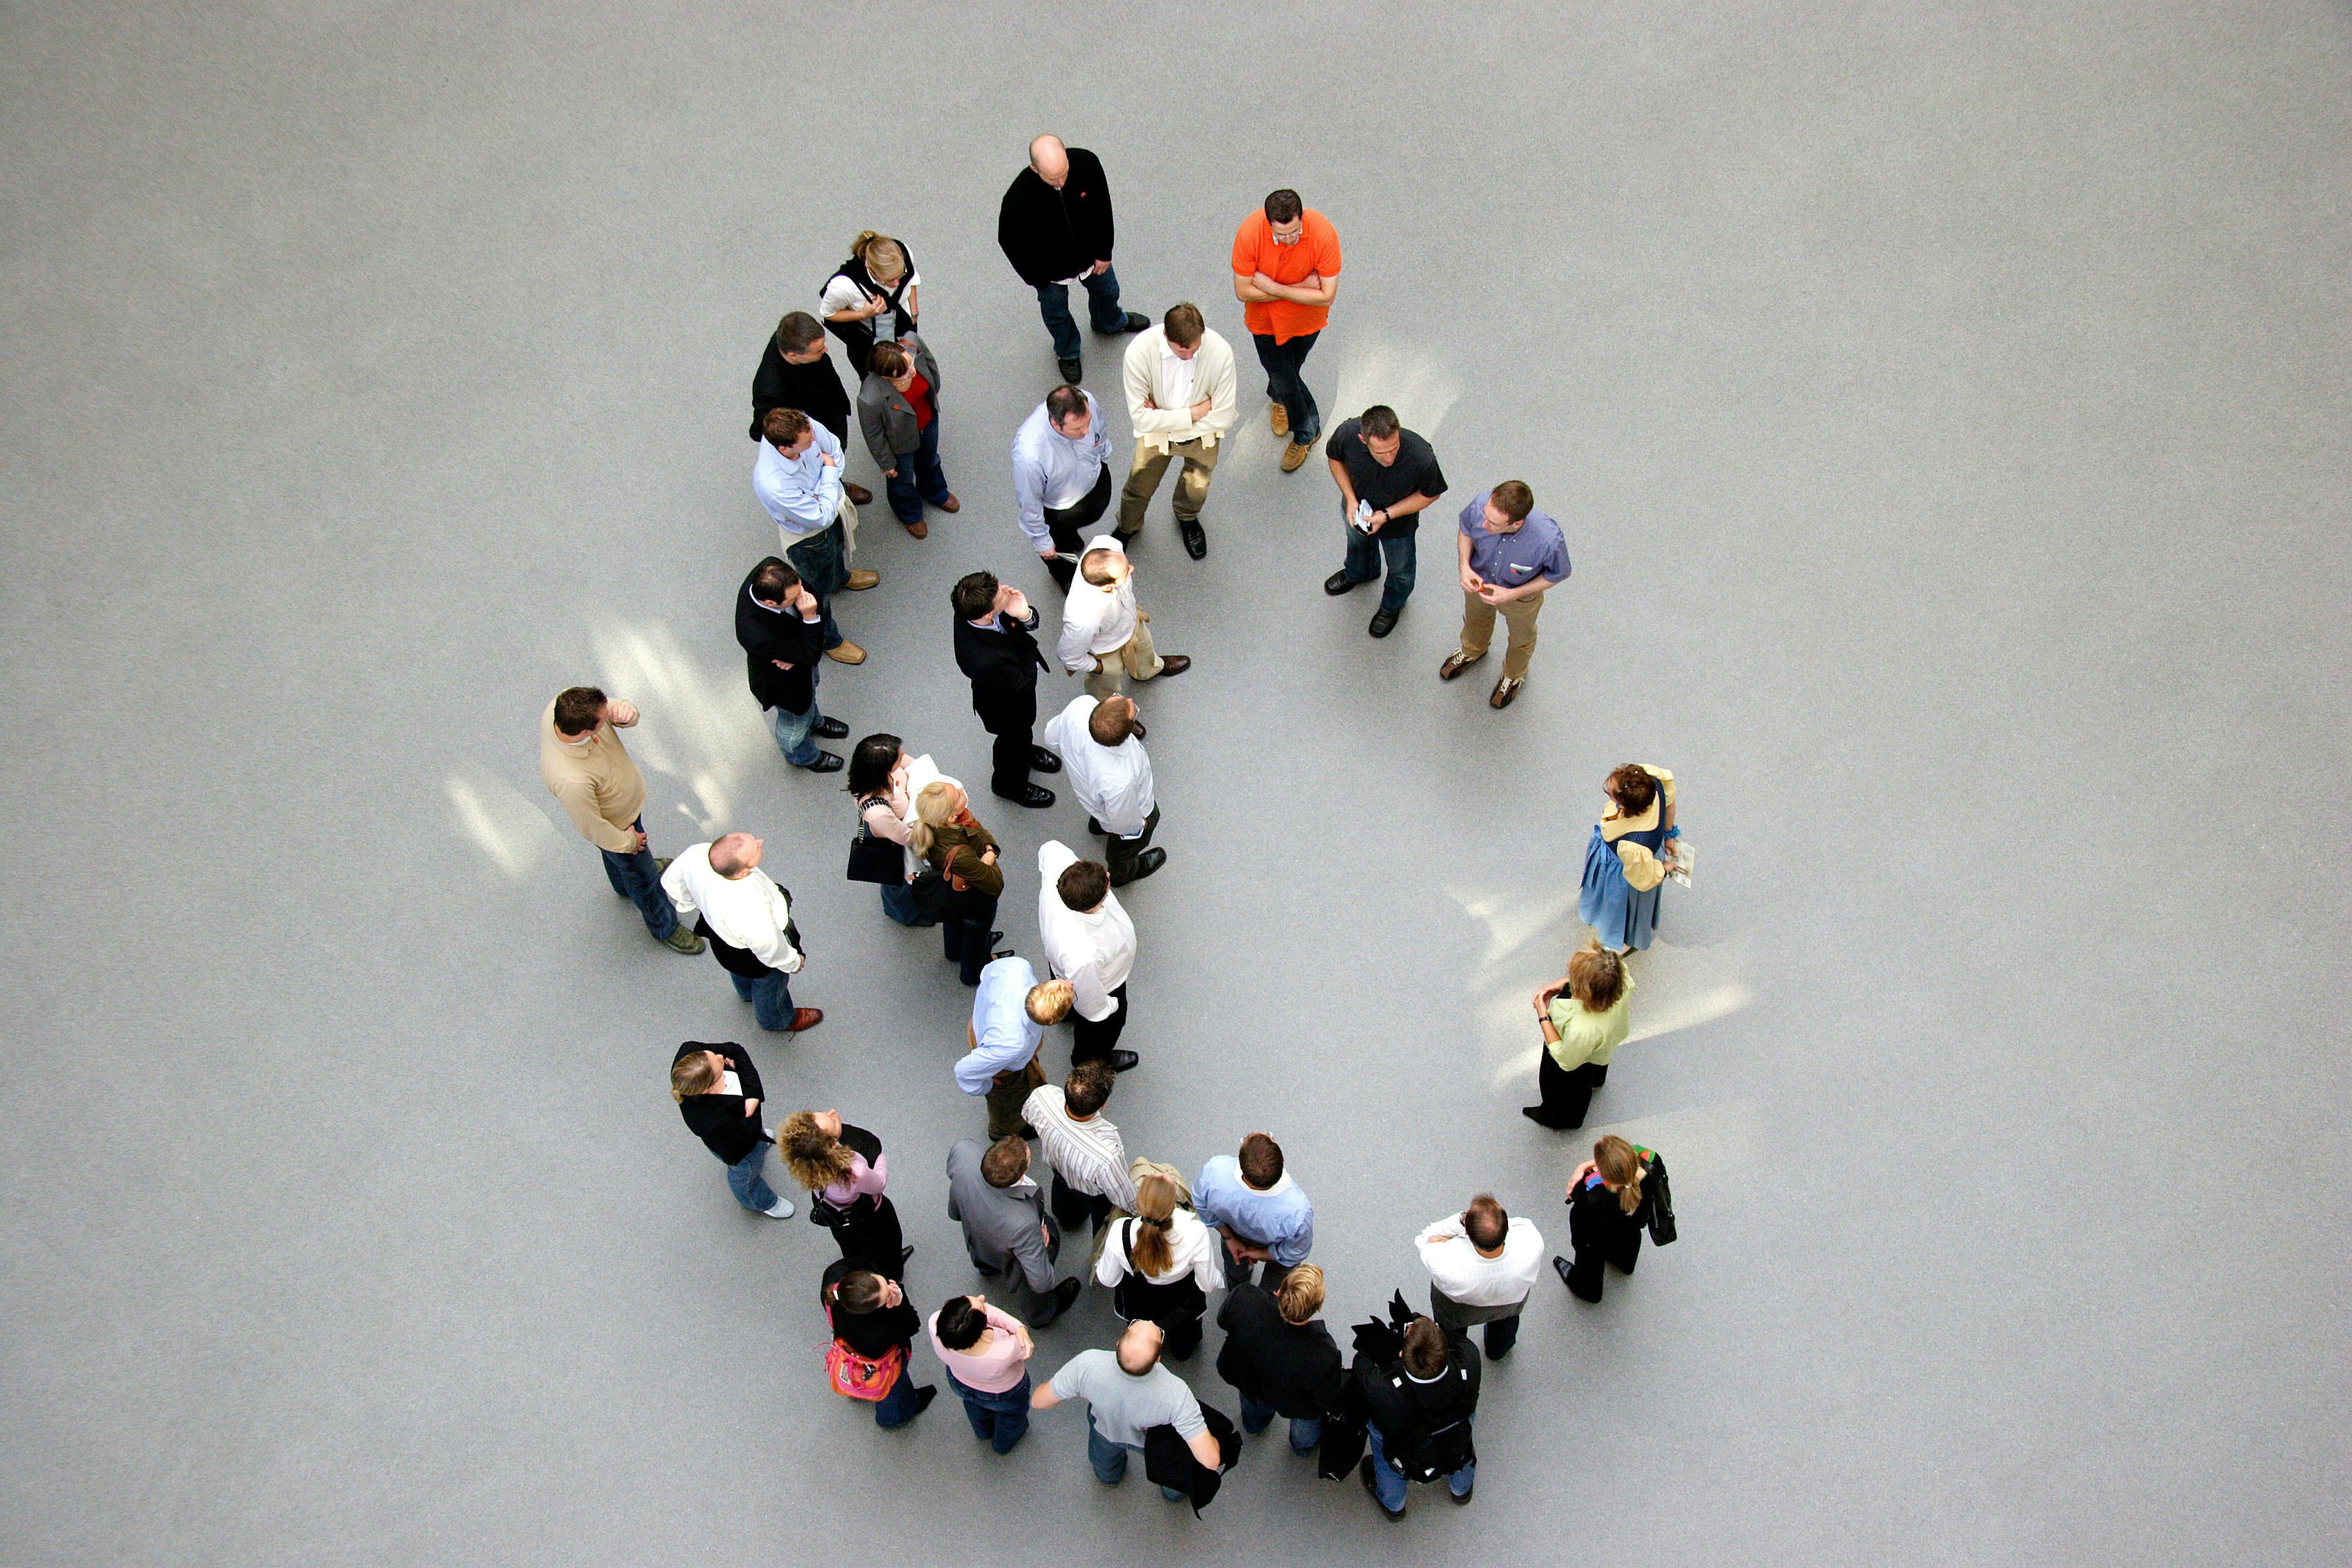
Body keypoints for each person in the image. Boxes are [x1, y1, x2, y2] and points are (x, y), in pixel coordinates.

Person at [540, 686, 701, 956]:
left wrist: (627, 713)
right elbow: (592, 828)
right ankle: (665, 927)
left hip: (623, 808)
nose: (609, 716)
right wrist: (628, 842)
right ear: (585, 732)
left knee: (624, 866)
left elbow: (618, 709)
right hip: (618, 827)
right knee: (644, 881)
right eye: (604, 720)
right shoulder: (571, 781)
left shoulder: (566, 705)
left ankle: (623, 884)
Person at [995, 135, 1148, 385]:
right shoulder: (1017, 199)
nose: (1061, 182)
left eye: (1064, 173)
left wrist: (1104, 252)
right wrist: (1037, 278)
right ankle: (1068, 352)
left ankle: (1109, 322)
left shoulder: (1087, 163)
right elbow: (1009, 241)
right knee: (1056, 313)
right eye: (1052, 178)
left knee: (1109, 292)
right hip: (1050, 273)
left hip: (1091, 257)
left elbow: (1103, 207)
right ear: (1034, 169)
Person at [658, 832, 824, 1034]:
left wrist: (693, 902)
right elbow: (770, 949)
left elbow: (673, 880)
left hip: (721, 938)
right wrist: (793, 962)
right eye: (755, 848)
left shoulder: (698, 853)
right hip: (752, 954)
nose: (760, 842)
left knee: (737, 970)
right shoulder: (750, 908)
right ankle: (776, 1019)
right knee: (770, 983)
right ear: (742, 873)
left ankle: (746, 993)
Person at [1034, 1321, 1220, 1500]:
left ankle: (1109, 1478)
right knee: (1172, 1471)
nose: (1149, 1320)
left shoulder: (1087, 1364)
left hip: (1105, 1430)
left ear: (1117, 1344)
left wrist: (1083, 1389)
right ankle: (1173, 1494)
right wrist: (1217, 1443)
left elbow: (1038, 1402)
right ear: (1157, 1359)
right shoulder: (1176, 1393)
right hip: (1151, 1441)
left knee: (1104, 1462)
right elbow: (1210, 1460)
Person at [754, 406, 879, 668]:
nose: (813, 442)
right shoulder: (774, 483)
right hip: (808, 539)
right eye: (807, 442)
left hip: (825, 515)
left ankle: (840, 578)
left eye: (811, 436)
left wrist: (823, 490)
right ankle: (829, 641)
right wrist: (829, 473)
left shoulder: (802, 424)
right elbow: (820, 516)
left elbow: (834, 450)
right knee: (815, 593)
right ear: (785, 448)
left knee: (836, 550)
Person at [1230, 188, 1342, 473]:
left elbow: (1327, 295)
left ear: (1302, 218)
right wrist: (1305, 286)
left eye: (1295, 232)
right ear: (1268, 223)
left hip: (1307, 323)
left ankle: (1279, 397)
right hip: (1265, 324)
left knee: (1288, 372)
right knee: (1285, 377)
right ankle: (1307, 432)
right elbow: (1243, 292)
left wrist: (1271, 287)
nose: (1290, 240)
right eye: (1282, 235)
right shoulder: (1249, 234)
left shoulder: (1323, 234)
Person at [1118, 302, 1238, 559]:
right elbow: (1140, 419)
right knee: (1139, 484)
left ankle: (1187, 516)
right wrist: (1192, 415)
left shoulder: (1220, 353)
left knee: (1197, 485)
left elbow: (1224, 416)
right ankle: (1128, 526)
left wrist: (1162, 419)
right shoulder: (1139, 352)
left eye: (1194, 351)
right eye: (1181, 353)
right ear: (1165, 336)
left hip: (1198, 438)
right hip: (1158, 439)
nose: (1188, 357)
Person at [1439, 481, 1571, 709]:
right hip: (1478, 580)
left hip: (1520, 596)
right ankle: (1472, 649)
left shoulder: (1548, 541)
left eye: (1493, 523)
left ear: (1517, 523)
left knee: (1521, 638)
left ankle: (1514, 674)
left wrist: (1513, 594)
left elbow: (1559, 573)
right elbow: (1466, 529)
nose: (1484, 524)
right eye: (1485, 515)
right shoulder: (1481, 505)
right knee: (1475, 619)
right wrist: (1464, 566)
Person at [1323, 405, 1450, 638]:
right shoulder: (1347, 434)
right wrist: (1350, 499)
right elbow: (1334, 458)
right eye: (1381, 453)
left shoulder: (1421, 455)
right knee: (1356, 545)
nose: (1389, 458)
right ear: (1363, 440)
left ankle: (1392, 606)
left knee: (1401, 569)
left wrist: (1387, 515)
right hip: (1357, 512)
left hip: (1398, 526)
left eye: (1394, 448)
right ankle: (1359, 572)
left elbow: (1431, 493)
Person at [946, 1135, 1085, 1328]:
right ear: (1021, 1174)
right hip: (1013, 1239)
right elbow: (1041, 1282)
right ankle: (1040, 1314)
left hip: (976, 1231)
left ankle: (987, 1268)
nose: (1026, 1145)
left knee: (982, 1247)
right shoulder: (1025, 1223)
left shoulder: (964, 1150)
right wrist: (1041, 1250)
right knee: (1044, 1256)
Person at [952, 570, 1060, 807]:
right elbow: (1024, 681)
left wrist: (1025, 615)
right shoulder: (979, 660)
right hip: (1003, 706)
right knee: (1011, 741)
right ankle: (1008, 785)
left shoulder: (970, 607)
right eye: (1003, 594)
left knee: (1022, 735)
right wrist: (1028, 649)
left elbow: (1024, 625)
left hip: (1011, 687)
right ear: (989, 613)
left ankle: (1026, 749)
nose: (1009, 590)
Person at [1356, 1317, 1480, 1520]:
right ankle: (1461, 1489)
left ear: (1402, 1355)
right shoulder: (1470, 1360)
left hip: (1406, 1445)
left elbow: (1361, 1362)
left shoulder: (1383, 1390)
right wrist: (1429, 1333)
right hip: (1453, 1430)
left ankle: (1394, 1505)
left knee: (1379, 1435)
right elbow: (1460, 1341)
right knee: (1462, 1447)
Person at [1214, 1263, 1342, 1456]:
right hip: (1293, 1403)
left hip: (1249, 1379)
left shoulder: (1245, 1298)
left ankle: (1254, 1426)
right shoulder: (1324, 1355)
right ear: (1319, 1307)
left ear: (1280, 1290)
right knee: (1305, 1429)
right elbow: (1327, 1396)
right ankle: (1301, 1449)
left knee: (1252, 1405)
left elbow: (1222, 1321)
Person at [736, 556, 849, 773]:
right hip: (784, 684)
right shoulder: (755, 633)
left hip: (799, 664)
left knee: (810, 695)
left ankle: (816, 723)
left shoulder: (774, 572)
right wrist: (809, 617)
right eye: (795, 598)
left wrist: (797, 652)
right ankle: (802, 756)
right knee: (794, 725)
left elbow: (811, 591)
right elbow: (811, 655)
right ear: (770, 603)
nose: (804, 598)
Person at [1092, 1171, 1222, 1361]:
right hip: (1180, 1307)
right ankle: (1181, 1352)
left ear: (1140, 1203)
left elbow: (1107, 1278)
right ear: (1173, 1206)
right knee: (1184, 1342)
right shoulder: (1196, 1233)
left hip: (1138, 1303)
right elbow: (1208, 1284)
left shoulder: (1121, 1230)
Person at [749, 309, 871, 506]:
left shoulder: (789, 338)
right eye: (818, 350)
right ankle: (834, 492)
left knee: (838, 449)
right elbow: (763, 429)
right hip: (811, 431)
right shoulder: (770, 389)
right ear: (793, 355)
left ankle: (836, 484)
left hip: (831, 411)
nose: (826, 351)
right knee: (824, 465)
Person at [1042, 692, 1163, 886]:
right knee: (1123, 849)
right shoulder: (1121, 780)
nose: (1130, 699)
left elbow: (1051, 737)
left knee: (1102, 813)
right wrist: (1143, 824)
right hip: (1128, 811)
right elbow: (1125, 825)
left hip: (1091, 797)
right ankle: (1122, 874)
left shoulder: (1080, 706)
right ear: (1127, 733)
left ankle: (1098, 825)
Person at [1036, 843, 1138, 1072]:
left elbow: (1047, 849)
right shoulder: (1083, 954)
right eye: (1106, 882)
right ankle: (1089, 1060)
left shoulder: (1058, 861)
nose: (1109, 875)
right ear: (1091, 905)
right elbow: (1092, 1004)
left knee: (1070, 995)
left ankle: (1066, 1013)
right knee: (1102, 1029)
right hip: (1105, 983)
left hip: (1059, 966)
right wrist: (1111, 1006)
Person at [1057, 538, 1192, 703]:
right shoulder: (1083, 619)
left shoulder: (1109, 546)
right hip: (1107, 651)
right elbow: (1069, 657)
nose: (1132, 569)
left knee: (1145, 650)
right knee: (1104, 688)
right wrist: (1099, 668)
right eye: (1126, 572)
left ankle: (1149, 670)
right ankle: (1111, 711)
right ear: (1107, 587)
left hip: (1132, 624)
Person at [957, 954, 1075, 1140]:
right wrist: (987, 1083)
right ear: (1053, 1021)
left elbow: (987, 973)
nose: (1069, 984)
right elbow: (964, 1071)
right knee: (1007, 1104)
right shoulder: (1011, 1044)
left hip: (983, 1026)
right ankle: (1002, 1132)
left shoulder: (1018, 967)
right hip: (1002, 1068)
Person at [668, 1042, 793, 1217]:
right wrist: (749, 1091)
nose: (721, 1057)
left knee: (758, 1140)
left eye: (713, 1055)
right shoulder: (710, 1120)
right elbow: (749, 1128)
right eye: (720, 1067)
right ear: (707, 1089)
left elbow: (734, 1049)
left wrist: (753, 1095)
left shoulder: (689, 1055)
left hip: (743, 1132)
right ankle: (759, 1200)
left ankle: (761, 1142)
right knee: (747, 1175)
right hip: (742, 1151)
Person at [780, 1109, 909, 1277]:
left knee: (851, 1246)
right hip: (870, 1218)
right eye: (830, 1120)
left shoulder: (807, 1162)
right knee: (886, 1245)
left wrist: (834, 1128)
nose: (832, 1112)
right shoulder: (855, 1171)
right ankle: (892, 1273)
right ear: (833, 1145)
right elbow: (879, 1183)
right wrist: (880, 1158)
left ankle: (858, 1270)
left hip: (838, 1219)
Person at [1414, 1194, 1544, 1361]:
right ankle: (1496, 1351)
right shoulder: (1532, 1242)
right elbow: (1521, 1224)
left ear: (1467, 1231)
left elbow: (1425, 1238)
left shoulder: (1445, 1261)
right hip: (1509, 1303)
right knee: (1505, 1327)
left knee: (1452, 1336)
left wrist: (1461, 1220)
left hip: (1458, 1310)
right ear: (1507, 1229)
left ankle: (1457, 1358)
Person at [1011, 386, 1115, 592]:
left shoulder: (1089, 402)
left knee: (1086, 518)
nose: (1086, 432)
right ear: (1055, 424)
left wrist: (1103, 454)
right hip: (1059, 508)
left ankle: (1071, 535)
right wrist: (1042, 541)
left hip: (1092, 481)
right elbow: (1029, 503)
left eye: (1087, 423)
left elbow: (1099, 433)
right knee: (1059, 548)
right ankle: (1065, 577)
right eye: (1078, 429)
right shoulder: (1029, 456)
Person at [1524, 939, 1635, 1128]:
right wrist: (1560, 985)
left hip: (1575, 1056)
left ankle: (1559, 1119)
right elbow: (1600, 979)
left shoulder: (1582, 1030)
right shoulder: (1620, 977)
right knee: (1597, 1066)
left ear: (1584, 990)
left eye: (1573, 976)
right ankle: (1597, 1080)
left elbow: (1565, 1060)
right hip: (1604, 1044)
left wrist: (1543, 1016)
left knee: (1568, 1086)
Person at [855, 336, 959, 537]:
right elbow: (874, 434)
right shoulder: (871, 398)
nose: (912, 370)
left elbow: (931, 368)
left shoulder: (912, 345)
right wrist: (886, 463)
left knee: (930, 461)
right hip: (900, 442)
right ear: (886, 378)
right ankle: (909, 512)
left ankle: (935, 492)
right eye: (903, 373)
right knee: (901, 480)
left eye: (909, 362)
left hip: (928, 422)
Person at [908, 781, 1008, 988]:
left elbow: (976, 828)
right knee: (978, 932)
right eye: (958, 797)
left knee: (953, 920)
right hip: (974, 900)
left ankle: (954, 951)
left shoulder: (931, 826)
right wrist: (990, 853)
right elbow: (995, 885)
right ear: (951, 817)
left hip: (950, 892)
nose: (962, 791)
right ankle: (974, 970)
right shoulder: (960, 853)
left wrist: (985, 849)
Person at [1022, 1059, 1136, 1236]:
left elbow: (1028, 1116)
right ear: (1103, 1105)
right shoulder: (1107, 1155)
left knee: (1063, 1193)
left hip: (1058, 1169)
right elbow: (1124, 1198)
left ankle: (1068, 1218)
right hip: (1091, 1194)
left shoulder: (1043, 1096)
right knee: (1103, 1223)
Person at [846, 734, 947, 926]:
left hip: (902, 827)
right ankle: (905, 915)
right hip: (893, 841)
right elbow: (906, 837)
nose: (903, 756)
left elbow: (915, 765)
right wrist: (932, 835)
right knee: (899, 882)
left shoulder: (885, 768)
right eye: (898, 757)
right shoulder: (876, 810)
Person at [821, 1261, 937, 1428]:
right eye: (886, 1298)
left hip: (848, 1351)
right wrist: (900, 1300)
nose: (891, 1287)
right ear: (872, 1310)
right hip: (881, 1364)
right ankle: (893, 1418)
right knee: (893, 1392)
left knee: (857, 1376)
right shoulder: (880, 1332)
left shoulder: (835, 1284)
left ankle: (855, 1391)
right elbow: (912, 1325)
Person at [1578, 764, 1679, 953]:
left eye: (1611, 793)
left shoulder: (1632, 846)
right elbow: (1669, 803)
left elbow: (1643, 878)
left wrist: (1663, 869)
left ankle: (1622, 938)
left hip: (1625, 865)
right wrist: (1669, 834)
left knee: (1620, 901)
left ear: (1622, 806)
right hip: (1644, 853)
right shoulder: (1652, 780)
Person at [1193, 1133, 1315, 1289]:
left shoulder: (1214, 1173)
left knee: (1235, 1272)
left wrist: (1229, 1238)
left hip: (1233, 1234)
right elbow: (1295, 1251)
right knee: (1274, 1286)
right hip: (1275, 1246)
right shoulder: (1298, 1212)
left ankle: (1237, 1292)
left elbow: (1201, 1204)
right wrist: (1262, 1254)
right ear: (1282, 1162)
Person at [1557, 1134, 1663, 1303]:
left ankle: (1588, 1290)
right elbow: (1635, 1151)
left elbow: (1573, 1192)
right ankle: (1625, 1263)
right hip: (1632, 1223)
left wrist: (1582, 1167)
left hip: (1597, 1236)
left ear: (1603, 1173)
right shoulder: (1651, 1162)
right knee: (1629, 1237)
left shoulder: (1593, 1193)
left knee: (1590, 1258)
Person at [929, 1293, 1036, 1455]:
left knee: (975, 1407)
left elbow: (974, 1317)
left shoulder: (935, 1324)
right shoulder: (1005, 1351)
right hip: (1003, 1393)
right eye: (983, 1306)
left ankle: (982, 1432)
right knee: (1011, 1418)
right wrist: (1019, 1328)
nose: (982, 1297)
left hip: (960, 1381)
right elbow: (1025, 1349)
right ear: (981, 1331)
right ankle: (1003, 1445)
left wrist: (981, 1310)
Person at [820, 230, 918, 375]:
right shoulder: (843, 286)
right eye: (889, 280)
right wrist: (864, 313)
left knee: (909, 366)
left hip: (903, 322)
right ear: (869, 268)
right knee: (882, 378)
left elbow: (912, 280)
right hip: (871, 338)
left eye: (900, 275)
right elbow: (828, 314)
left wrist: (914, 314)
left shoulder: (902, 253)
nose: (897, 283)